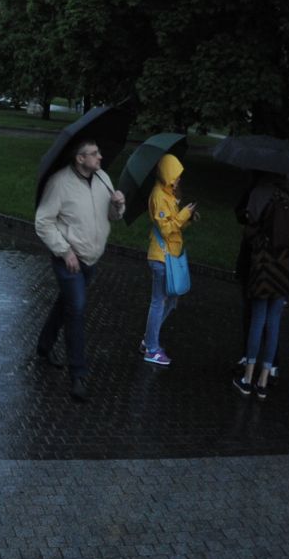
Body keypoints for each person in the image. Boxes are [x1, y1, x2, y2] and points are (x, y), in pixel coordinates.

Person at [32, 139, 124, 401]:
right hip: (69, 259)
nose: (100, 157)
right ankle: (78, 375)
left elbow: (112, 217)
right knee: (77, 310)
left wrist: (118, 205)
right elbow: (43, 222)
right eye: (94, 154)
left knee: (68, 304)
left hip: (91, 258)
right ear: (79, 159)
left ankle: (44, 344)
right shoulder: (59, 183)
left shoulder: (103, 178)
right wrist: (65, 251)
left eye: (99, 152)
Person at [236, 176, 289, 399]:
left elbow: (249, 229)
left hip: (263, 267)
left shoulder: (260, 192)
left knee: (257, 320)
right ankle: (264, 380)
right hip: (285, 268)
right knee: (274, 323)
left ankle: (247, 378)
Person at [143, 155, 198, 366]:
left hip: (170, 256)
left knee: (171, 301)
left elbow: (175, 226)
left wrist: (188, 217)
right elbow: (166, 229)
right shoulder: (159, 196)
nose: (179, 179)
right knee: (159, 302)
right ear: (168, 175)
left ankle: (149, 339)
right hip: (161, 257)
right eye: (176, 176)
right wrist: (183, 214)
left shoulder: (168, 194)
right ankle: (151, 348)